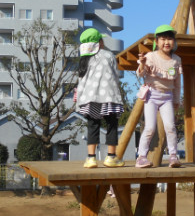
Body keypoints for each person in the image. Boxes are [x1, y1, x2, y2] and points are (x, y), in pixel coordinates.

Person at [76, 27, 124, 168]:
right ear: (99, 43)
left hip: (90, 98)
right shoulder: (109, 55)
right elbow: (115, 75)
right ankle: (111, 157)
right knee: (111, 124)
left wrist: (79, 99)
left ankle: (91, 158)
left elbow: (81, 82)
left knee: (92, 125)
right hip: (108, 96)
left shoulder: (84, 60)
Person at [135, 24, 182, 168]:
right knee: (150, 128)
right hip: (152, 95)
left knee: (170, 127)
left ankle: (173, 156)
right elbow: (140, 74)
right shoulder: (150, 56)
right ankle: (141, 157)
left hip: (167, 96)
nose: (166, 42)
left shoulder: (176, 60)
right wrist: (142, 64)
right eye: (163, 39)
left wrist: (176, 99)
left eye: (169, 39)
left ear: (174, 42)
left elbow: (178, 82)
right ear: (157, 41)